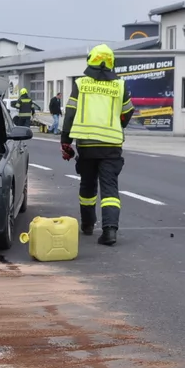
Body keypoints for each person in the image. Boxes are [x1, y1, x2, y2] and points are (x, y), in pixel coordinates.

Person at [61, 44, 134, 246]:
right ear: (111, 63)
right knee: (110, 189)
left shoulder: (81, 84)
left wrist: (65, 141)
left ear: (90, 60)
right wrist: (117, 124)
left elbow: (70, 113)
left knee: (88, 185)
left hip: (87, 145)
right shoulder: (120, 85)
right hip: (111, 145)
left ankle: (87, 224)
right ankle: (110, 231)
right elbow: (128, 112)